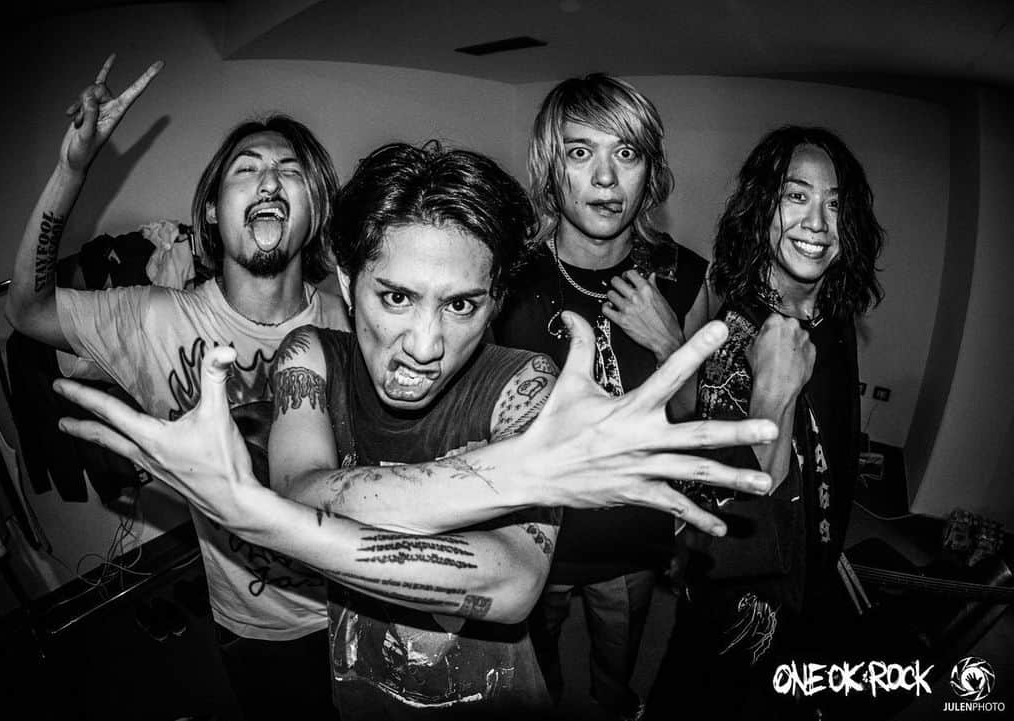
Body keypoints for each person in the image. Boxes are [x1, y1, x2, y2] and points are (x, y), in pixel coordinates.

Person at [53, 141, 780, 719]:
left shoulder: (525, 384)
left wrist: (260, 516)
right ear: (347, 284)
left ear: (494, 301)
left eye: (461, 306)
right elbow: (303, 486)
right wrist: (515, 474)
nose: (425, 344)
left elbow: (511, 583)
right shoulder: (311, 356)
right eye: (396, 297)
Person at [4, 55, 349, 720]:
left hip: (364, 599)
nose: (268, 180)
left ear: (314, 211)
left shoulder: (354, 319)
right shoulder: (157, 319)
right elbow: (29, 310)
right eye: (246, 169)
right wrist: (71, 172)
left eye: (289, 170)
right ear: (213, 214)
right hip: (260, 631)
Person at [492, 73, 711, 720]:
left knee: (617, 673)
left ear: (651, 171)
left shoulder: (684, 276)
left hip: (632, 535)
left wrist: (671, 345)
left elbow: (696, 418)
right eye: (581, 152)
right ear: (550, 167)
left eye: (627, 153)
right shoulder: (506, 275)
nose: (607, 178)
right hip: (533, 534)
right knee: (535, 674)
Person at [648, 126, 884, 719]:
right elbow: (733, 523)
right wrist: (773, 395)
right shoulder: (740, 333)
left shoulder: (833, 312)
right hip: (742, 592)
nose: (818, 222)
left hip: (813, 557)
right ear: (763, 208)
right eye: (796, 196)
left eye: (835, 204)